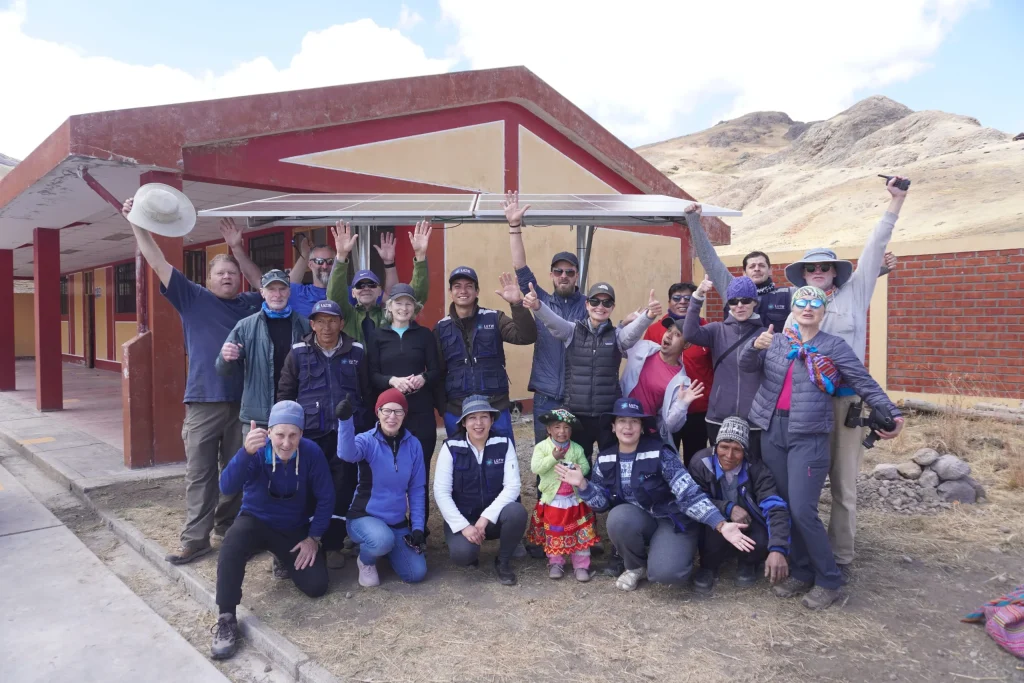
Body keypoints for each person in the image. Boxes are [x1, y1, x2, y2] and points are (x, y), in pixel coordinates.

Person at [740, 285, 903, 609]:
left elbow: (863, 382)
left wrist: (892, 413)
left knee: (803, 509)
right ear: (794, 308)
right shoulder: (777, 340)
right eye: (802, 302)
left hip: (809, 435)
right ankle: (800, 571)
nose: (808, 307)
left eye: (816, 303)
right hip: (773, 430)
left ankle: (829, 579)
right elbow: (746, 367)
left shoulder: (834, 346)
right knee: (784, 504)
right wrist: (753, 347)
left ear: (823, 310)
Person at [122, 196, 263, 566]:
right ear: (209, 279)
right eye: (221, 273)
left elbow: (270, 286)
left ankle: (227, 531)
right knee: (200, 474)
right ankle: (195, 539)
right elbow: (157, 260)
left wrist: (238, 249)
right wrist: (138, 222)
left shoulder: (250, 303)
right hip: (203, 401)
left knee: (236, 472)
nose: (228, 277)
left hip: (244, 403)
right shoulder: (192, 298)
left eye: (232, 272)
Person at [780, 178, 909, 582]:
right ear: (803, 276)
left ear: (835, 272)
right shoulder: (795, 310)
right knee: (804, 484)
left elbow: (874, 249)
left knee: (844, 484)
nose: (818, 272)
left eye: (825, 267)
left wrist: (896, 201)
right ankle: (807, 553)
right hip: (807, 405)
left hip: (847, 403)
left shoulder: (855, 294)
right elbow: (781, 362)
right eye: (811, 268)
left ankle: (841, 557)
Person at [560, 397, 755, 592]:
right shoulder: (605, 458)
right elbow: (601, 504)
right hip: (639, 519)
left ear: (642, 427)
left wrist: (720, 524)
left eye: (634, 421)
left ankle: (669, 549)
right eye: (622, 421)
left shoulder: (661, 454)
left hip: (672, 519)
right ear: (613, 426)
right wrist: (583, 484)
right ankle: (635, 566)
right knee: (618, 516)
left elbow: (688, 494)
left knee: (666, 575)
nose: (628, 427)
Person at [210, 401, 333, 660]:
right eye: (280, 435)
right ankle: (226, 617)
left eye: (293, 435)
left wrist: (314, 538)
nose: (286, 443)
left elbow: (326, 498)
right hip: (255, 520)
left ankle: (281, 557)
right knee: (232, 542)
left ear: (301, 434)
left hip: (292, 528)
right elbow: (227, 486)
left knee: (317, 586)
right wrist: (244, 453)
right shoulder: (255, 450)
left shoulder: (311, 453)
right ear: (269, 432)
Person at [682, 204, 898, 330]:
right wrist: (693, 221)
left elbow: (829, 286)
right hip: (738, 368)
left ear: (770, 270)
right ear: (744, 272)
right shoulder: (731, 288)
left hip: (776, 370)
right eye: (752, 266)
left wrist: (877, 270)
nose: (756, 269)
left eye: (761, 265)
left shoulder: (790, 295)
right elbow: (709, 259)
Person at [276, 299, 369, 563]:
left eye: (332, 321)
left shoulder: (357, 352)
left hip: (345, 435)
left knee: (343, 488)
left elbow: (367, 394)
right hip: (310, 436)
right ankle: (304, 540)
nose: (327, 327)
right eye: (321, 321)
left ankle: (332, 545)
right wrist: (287, 433)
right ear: (312, 324)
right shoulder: (297, 353)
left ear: (342, 323)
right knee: (309, 488)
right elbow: (285, 395)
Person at [523, 281, 657, 460]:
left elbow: (631, 334)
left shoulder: (616, 336)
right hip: (577, 416)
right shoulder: (572, 331)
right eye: (595, 301)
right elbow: (553, 321)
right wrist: (538, 306)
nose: (600, 306)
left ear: (612, 307)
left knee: (609, 462)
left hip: (607, 415)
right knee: (579, 463)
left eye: (606, 302)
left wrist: (648, 315)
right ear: (587, 304)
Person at [503, 191, 588, 444]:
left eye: (569, 272)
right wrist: (514, 226)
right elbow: (520, 267)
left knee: (578, 456)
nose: (564, 275)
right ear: (551, 275)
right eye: (558, 271)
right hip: (545, 394)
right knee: (545, 457)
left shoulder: (589, 305)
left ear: (576, 276)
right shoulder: (537, 297)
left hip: (577, 394)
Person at [688, 416, 791, 594]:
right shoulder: (700, 463)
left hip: (749, 521)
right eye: (724, 447)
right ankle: (708, 567)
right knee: (709, 532)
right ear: (715, 446)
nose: (729, 455)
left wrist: (778, 548)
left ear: (746, 452)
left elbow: (775, 506)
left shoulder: (757, 469)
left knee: (761, 540)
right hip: (716, 520)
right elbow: (694, 499)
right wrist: (727, 507)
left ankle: (748, 562)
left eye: (737, 449)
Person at [336, 389, 428, 587]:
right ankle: (366, 560)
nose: (392, 417)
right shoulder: (367, 440)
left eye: (398, 411)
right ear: (378, 412)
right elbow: (347, 454)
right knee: (381, 540)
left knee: (417, 573)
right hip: (363, 517)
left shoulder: (413, 445)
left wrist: (418, 526)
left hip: (396, 522)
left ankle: (385, 550)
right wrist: (345, 422)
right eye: (386, 410)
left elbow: (417, 489)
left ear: (405, 414)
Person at [367, 283, 441, 525]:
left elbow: (437, 369)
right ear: (389, 307)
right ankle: (390, 525)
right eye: (398, 303)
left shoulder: (424, 335)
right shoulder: (378, 336)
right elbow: (371, 375)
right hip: (390, 415)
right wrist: (392, 381)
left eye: (408, 303)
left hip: (420, 411)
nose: (404, 307)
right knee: (388, 471)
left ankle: (420, 528)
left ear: (415, 308)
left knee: (419, 472)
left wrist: (423, 378)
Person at [434, 395, 527, 586]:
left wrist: (485, 518)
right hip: (464, 518)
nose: (478, 423)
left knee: (516, 512)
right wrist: (464, 526)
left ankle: (502, 560)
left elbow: (513, 487)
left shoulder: (504, 444)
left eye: (484, 417)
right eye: (472, 418)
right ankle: (471, 548)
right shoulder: (450, 447)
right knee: (462, 555)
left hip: (492, 520)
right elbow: (441, 492)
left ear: (492, 420)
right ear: (464, 423)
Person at [435, 267, 538, 439]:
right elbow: (437, 370)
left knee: (502, 460)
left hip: (495, 407)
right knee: (461, 463)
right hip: (457, 411)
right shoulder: (440, 328)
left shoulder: (494, 318)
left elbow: (526, 336)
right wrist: (443, 408)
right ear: (450, 292)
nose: (463, 291)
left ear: (477, 291)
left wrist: (516, 304)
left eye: (469, 286)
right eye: (457, 286)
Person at [683, 276, 766, 462]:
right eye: (733, 301)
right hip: (718, 415)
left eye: (745, 300)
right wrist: (697, 297)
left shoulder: (765, 334)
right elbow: (689, 333)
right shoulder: (716, 330)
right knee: (722, 466)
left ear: (754, 302)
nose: (739, 306)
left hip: (754, 419)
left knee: (752, 468)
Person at [216, 269, 310, 432]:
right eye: (271, 289)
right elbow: (224, 371)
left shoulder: (305, 325)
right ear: (262, 293)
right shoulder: (245, 326)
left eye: (282, 289)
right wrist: (225, 358)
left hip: (295, 414)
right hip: (257, 419)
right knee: (256, 458)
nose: (277, 294)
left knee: (294, 458)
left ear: (289, 292)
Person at [326, 220, 432, 344]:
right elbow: (334, 295)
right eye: (360, 285)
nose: (366, 288)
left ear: (379, 291)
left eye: (371, 284)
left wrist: (420, 256)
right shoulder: (347, 315)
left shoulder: (389, 315)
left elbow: (416, 296)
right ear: (353, 292)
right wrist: (341, 256)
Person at [526, 408, 600, 582]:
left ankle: (581, 564)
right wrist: (553, 457)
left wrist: (577, 468)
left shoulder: (576, 449)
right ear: (549, 430)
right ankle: (555, 562)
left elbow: (586, 466)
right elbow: (536, 468)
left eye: (566, 427)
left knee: (581, 532)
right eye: (557, 427)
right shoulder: (542, 448)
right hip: (554, 501)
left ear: (571, 431)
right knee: (555, 532)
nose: (562, 431)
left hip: (575, 500)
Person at [620, 317, 707, 456]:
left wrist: (682, 404)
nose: (669, 335)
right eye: (669, 330)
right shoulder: (644, 348)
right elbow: (619, 344)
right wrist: (624, 324)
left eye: (677, 334)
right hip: (621, 423)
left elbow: (670, 427)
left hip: (647, 433)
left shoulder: (682, 381)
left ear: (686, 344)